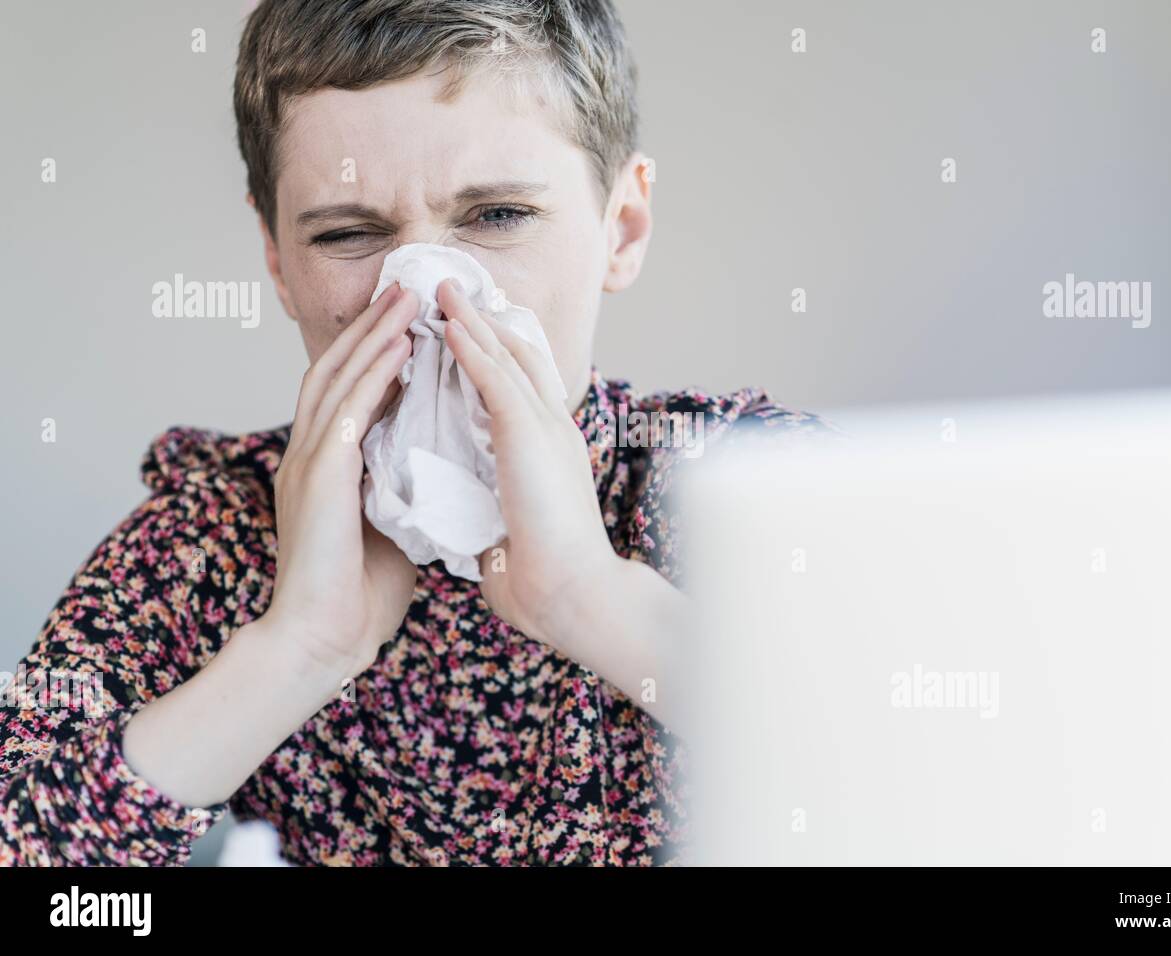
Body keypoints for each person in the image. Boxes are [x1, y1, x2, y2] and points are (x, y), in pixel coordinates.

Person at [0, 0, 829, 867]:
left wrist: (589, 596)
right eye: (350, 233)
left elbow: (953, 779)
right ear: (279, 262)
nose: (434, 296)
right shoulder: (215, 544)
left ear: (622, 227)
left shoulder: (741, 490)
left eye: (499, 215)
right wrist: (299, 650)